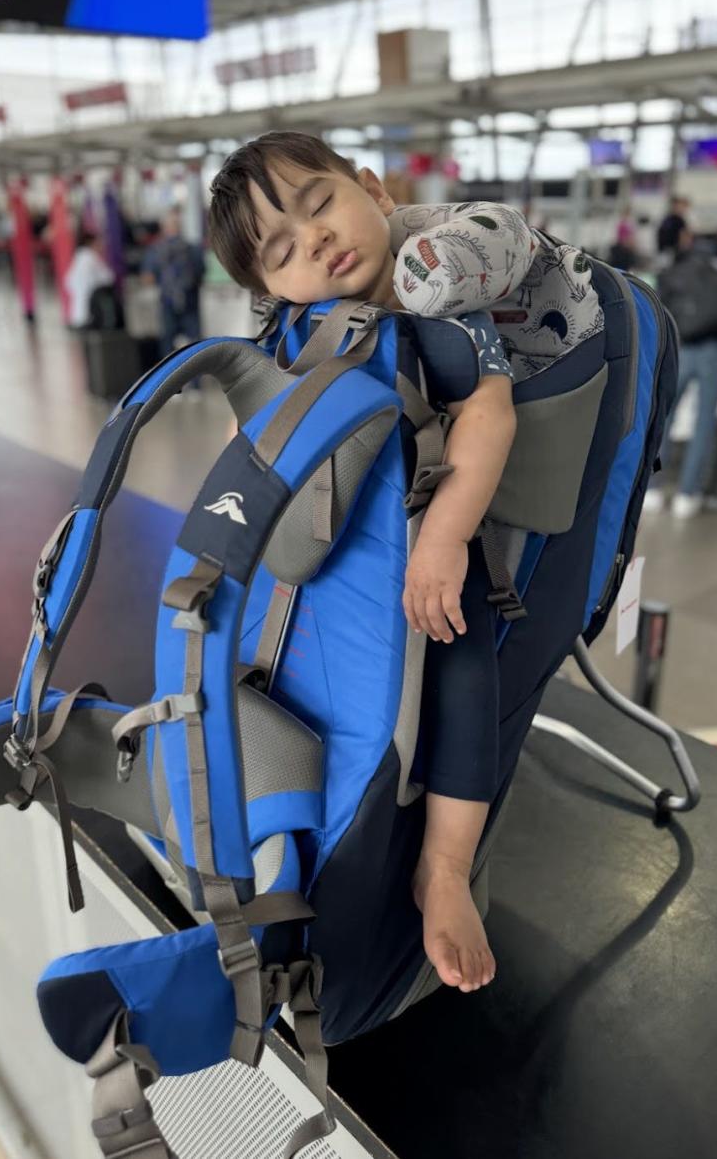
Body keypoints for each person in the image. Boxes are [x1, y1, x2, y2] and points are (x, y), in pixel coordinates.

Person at [208, 132, 522, 996]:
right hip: (311, 580)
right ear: (268, 289)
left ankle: (445, 868)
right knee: (262, 683)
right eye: (282, 250)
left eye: (320, 205)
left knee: (464, 664)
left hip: (425, 554)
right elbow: (250, 446)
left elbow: (489, 415)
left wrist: (446, 538)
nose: (314, 240)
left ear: (375, 193)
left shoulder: (440, 309)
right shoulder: (285, 342)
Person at [643, 227, 717, 520]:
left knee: (664, 418)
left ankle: (652, 487)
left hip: (683, 347)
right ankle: (687, 494)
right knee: (704, 421)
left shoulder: (676, 269)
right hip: (715, 349)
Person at [142, 209, 205, 360]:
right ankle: (196, 378)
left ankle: (169, 378)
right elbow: (201, 272)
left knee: (168, 341)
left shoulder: (155, 250)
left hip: (167, 301)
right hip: (190, 299)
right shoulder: (192, 248)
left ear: (164, 228)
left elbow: (147, 278)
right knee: (194, 340)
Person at [65, 230, 114, 329]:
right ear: (92, 243)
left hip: (78, 311)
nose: (102, 245)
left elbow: (68, 282)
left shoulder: (79, 258)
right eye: (99, 242)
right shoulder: (91, 258)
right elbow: (108, 277)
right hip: (90, 308)